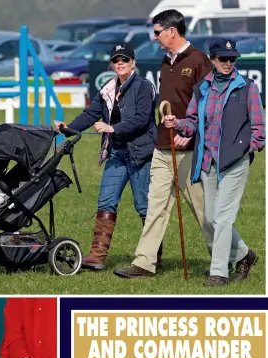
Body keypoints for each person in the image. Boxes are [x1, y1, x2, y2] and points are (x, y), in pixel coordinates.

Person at [114, 9, 214, 279]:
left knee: (202, 210)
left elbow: (209, 107)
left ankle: (234, 256)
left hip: (189, 148)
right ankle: (145, 262)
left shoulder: (199, 61)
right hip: (163, 145)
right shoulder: (165, 62)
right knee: (155, 204)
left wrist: (190, 134)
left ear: (172, 31)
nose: (154, 37)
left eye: (157, 32)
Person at [163, 39, 265, 286]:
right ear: (212, 59)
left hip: (234, 163)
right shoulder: (202, 89)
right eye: (223, 59)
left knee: (222, 218)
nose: (229, 63)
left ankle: (219, 272)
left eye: (232, 59)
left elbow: (259, 130)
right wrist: (177, 124)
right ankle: (244, 255)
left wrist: (243, 150)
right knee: (208, 218)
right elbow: (192, 122)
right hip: (207, 162)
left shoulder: (247, 88)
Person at [55, 43, 156, 270]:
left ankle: (151, 257)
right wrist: (67, 128)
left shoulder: (144, 86)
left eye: (125, 60)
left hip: (140, 154)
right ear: (112, 64)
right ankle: (97, 255)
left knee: (143, 206)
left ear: (133, 63)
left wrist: (113, 128)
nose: (120, 63)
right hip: (116, 154)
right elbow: (91, 114)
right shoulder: (107, 89)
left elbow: (142, 118)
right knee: (106, 201)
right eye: (116, 60)